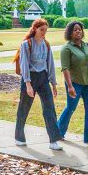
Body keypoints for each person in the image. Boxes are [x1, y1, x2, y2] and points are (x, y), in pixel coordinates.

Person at [14, 18, 63, 150]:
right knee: (24, 108)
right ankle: (19, 137)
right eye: (42, 30)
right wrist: (28, 84)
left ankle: (53, 141)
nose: (44, 32)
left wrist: (53, 84)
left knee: (49, 108)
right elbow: (24, 65)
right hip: (29, 78)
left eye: (46, 30)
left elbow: (50, 64)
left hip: (43, 78)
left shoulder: (46, 44)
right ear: (35, 29)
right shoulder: (26, 44)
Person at [58, 20, 88, 144]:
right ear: (70, 33)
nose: (78, 31)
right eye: (75, 29)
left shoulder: (87, 46)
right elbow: (65, 69)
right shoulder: (66, 49)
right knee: (71, 108)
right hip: (75, 83)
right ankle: (58, 133)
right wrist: (70, 86)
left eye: (80, 29)